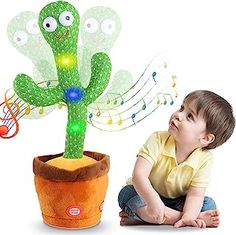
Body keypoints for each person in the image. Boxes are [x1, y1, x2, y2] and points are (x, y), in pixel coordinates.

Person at [118, 90, 235, 228]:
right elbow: (139, 175)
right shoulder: (157, 139)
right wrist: (154, 201)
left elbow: (195, 195)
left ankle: (146, 218)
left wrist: (189, 216)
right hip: (146, 194)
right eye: (181, 108)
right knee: (126, 194)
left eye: (190, 116)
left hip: (177, 201)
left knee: (208, 204)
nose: (178, 115)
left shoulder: (205, 159)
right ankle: (172, 217)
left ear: (205, 138)